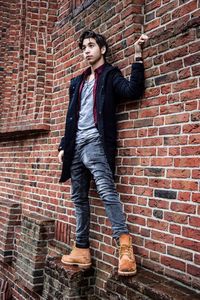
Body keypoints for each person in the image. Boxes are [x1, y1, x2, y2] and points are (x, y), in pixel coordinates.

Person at [58, 30, 148, 276]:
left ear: (102, 49)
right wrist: (63, 146)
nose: (86, 50)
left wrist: (138, 57)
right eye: (83, 47)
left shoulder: (109, 74)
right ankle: (81, 249)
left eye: (90, 46)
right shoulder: (77, 81)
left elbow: (132, 92)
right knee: (78, 198)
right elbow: (71, 117)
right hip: (75, 146)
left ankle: (125, 247)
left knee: (107, 192)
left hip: (95, 143)